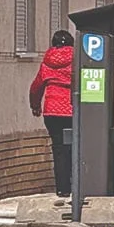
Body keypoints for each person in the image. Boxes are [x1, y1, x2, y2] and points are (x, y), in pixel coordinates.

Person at [28, 30, 75, 197]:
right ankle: (75, 182)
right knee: (74, 147)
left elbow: (36, 86)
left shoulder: (47, 62)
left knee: (59, 148)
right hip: (72, 109)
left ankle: (62, 188)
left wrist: (35, 106)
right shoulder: (77, 59)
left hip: (52, 111)